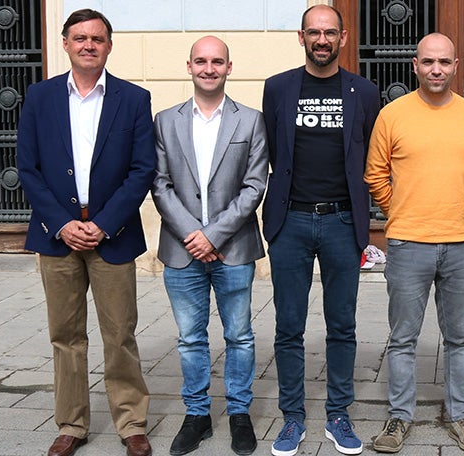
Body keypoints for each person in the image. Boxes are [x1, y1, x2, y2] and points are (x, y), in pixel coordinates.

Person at [16, 9, 155, 456]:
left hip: (110, 232)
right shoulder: (39, 97)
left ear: (109, 45)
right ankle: (71, 424)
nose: (89, 45)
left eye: (97, 38)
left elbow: (142, 169)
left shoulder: (133, 99)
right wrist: (61, 222)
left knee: (120, 333)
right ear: (66, 43)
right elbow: (28, 168)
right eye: (80, 38)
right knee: (66, 334)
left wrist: (102, 223)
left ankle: (131, 421)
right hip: (56, 235)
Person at [261, 5, 380, 456]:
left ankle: (338, 413)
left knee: (342, 325)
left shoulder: (364, 92)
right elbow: (269, 148)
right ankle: (292, 417)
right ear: (302, 37)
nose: (322, 40)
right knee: (288, 325)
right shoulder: (278, 88)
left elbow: (369, 154)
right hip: (290, 219)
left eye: (330, 32)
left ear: (343, 38)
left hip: (341, 221)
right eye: (314, 32)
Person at [364, 32, 464, 454]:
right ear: (415, 65)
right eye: (428, 62)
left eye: (445, 62)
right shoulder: (392, 114)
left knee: (459, 338)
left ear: (456, 66)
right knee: (402, 338)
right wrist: (399, 207)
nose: (437, 69)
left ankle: (462, 418)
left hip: (460, 244)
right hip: (407, 243)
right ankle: (399, 418)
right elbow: (375, 173)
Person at [151, 36, 268, 456]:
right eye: (201, 61)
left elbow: (255, 185)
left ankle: (239, 414)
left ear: (229, 67)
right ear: (189, 66)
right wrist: (193, 235)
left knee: (239, 335)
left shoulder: (250, 120)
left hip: (233, 247)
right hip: (182, 249)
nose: (208, 68)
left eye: (217, 61)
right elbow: (160, 184)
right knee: (189, 338)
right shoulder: (165, 120)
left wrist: (214, 234)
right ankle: (197, 415)